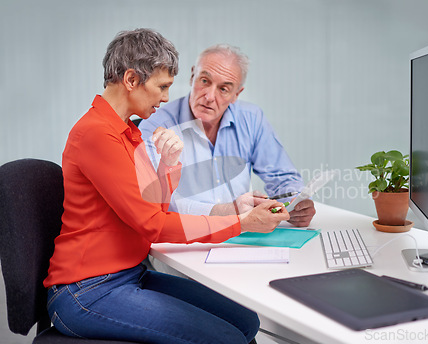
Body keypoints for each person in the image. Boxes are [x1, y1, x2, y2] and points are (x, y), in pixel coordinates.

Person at [43, 28, 289, 344]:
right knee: (227, 338)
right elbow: (152, 225)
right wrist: (241, 223)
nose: (165, 98)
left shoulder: (127, 132)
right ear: (131, 80)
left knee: (246, 321)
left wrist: (168, 165)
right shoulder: (96, 134)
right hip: (87, 290)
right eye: (162, 87)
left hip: (129, 273)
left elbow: (151, 208)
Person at [139, 44, 316, 227]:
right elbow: (153, 202)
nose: (209, 96)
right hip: (182, 238)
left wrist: (295, 202)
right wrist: (228, 211)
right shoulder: (156, 124)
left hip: (241, 235)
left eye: (223, 89)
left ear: (236, 94)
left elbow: (282, 176)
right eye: (205, 81)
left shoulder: (251, 119)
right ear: (193, 76)